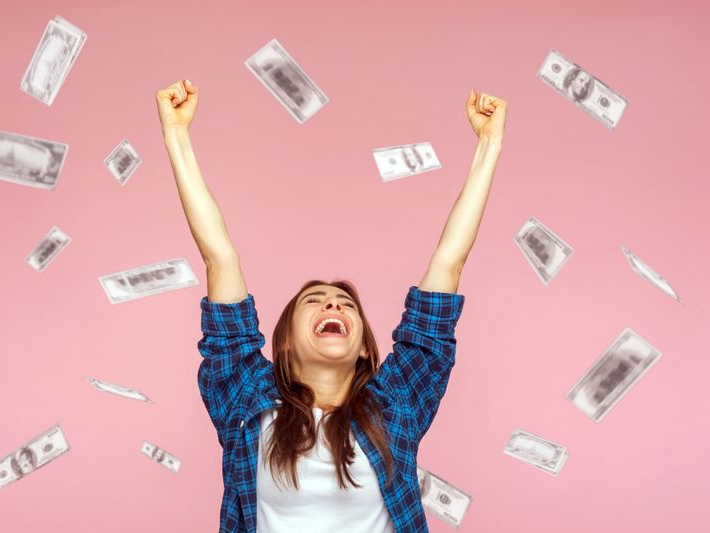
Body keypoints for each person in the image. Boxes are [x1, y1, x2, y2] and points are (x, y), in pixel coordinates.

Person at [156, 80, 506, 533]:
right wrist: (176, 134)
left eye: (345, 303)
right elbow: (218, 257)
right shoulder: (244, 394)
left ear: (363, 347)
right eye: (314, 301)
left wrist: (489, 144)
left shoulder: (396, 405)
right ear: (283, 342)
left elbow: (448, 262)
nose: (332, 305)